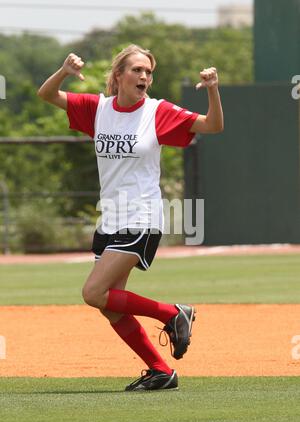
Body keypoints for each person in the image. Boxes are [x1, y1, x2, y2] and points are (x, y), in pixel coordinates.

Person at [37, 44, 223, 391]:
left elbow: (213, 126)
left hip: (141, 214)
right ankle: (160, 371)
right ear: (118, 75)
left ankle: (172, 313)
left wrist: (212, 89)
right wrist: (63, 70)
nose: (145, 77)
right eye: (137, 70)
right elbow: (46, 94)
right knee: (110, 306)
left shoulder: (157, 112)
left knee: (93, 292)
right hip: (109, 217)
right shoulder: (98, 108)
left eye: (148, 72)